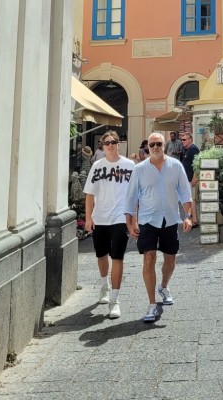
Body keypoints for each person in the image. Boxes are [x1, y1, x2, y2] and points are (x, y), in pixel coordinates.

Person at [124, 132, 194, 324]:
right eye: (152, 144)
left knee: (170, 260)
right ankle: (152, 304)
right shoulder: (139, 170)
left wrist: (188, 216)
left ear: (165, 145)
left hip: (170, 219)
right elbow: (131, 198)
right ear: (148, 146)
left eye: (158, 144)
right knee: (149, 258)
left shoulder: (175, 166)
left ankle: (163, 286)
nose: (155, 147)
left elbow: (185, 193)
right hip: (148, 220)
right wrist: (130, 223)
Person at [82, 133, 135, 319]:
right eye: (107, 143)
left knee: (118, 257)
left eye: (113, 142)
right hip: (100, 218)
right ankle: (104, 285)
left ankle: (115, 300)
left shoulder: (129, 165)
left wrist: (133, 219)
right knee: (101, 255)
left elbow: (135, 194)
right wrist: (88, 218)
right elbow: (89, 194)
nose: (111, 145)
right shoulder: (97, 167)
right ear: (102, 146)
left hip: (120, 218)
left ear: (118, 145)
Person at [180, 133, 201, 222]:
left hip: (191, 179)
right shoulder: (187, 150)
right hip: (187, 179)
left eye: (184, 140)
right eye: (181, 140)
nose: (182, 141)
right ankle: (192, 219)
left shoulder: (193, 149)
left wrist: (194, 178)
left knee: (191, 199)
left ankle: (194, 220)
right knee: (189, 199)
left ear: (190, 140)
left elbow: (197, 164)